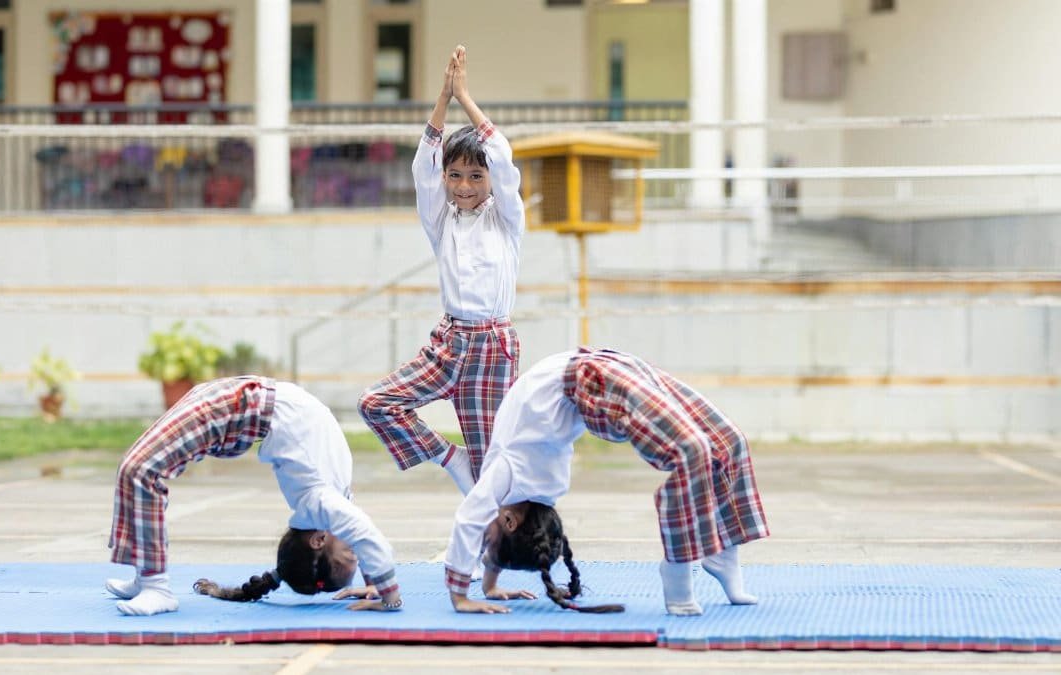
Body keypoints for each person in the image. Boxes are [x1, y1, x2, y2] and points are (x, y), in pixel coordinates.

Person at [443, 348, 770, 615]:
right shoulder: (517, 479)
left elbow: (481, 526)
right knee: (691, 451)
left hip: (604, 368)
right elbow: (482, 526)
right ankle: (678, 565)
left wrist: (474, 592)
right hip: (594, 384)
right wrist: (479, 588)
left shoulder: (511, 479)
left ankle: (723, 552)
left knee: (729, 442)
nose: (483, 539)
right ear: (511, 521)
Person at [358, 45, 524, 496]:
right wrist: (442, 99)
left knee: (491, 472)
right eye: (455, 176)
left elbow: (505, 162)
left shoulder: (506, 219)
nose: (464, 186)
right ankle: (450, 457)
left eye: (475, 176)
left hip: (492, 349)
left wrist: (466, 98)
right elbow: (421, 169)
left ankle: (484, 557)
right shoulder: (440, 219)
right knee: (376, 404)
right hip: (448, 344)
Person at [106, 376, 402, 616]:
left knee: (140, 470)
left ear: (319, 540)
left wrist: (376, 581)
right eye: (354, 554)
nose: (355, 549)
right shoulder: (327, 501)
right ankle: (150, 581)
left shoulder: (320, 504)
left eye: (349, 553)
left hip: (237, 408)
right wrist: (385, 592)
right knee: (138, 470)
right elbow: (366, 534)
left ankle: (153, 583)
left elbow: (362, 535)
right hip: (243, 404)